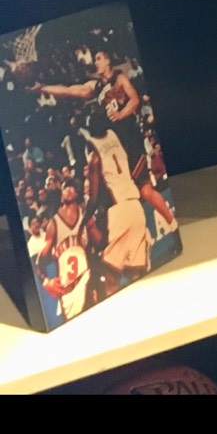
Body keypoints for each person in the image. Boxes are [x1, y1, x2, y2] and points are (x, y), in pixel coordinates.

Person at [33, 48, 178, 238]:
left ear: (108, 61)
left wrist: (120, 114)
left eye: (99, 58)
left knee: (144, 190)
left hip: (131, 138)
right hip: (115, 144)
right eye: (95, 59)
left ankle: (172, 223)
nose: (96, 62)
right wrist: (42, 88)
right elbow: (69, 90)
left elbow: (134, 99)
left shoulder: (119, 77)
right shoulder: (95, 87)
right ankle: (140, 234)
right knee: (123, 195)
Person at [78, 107, 151, 298]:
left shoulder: (94, 157)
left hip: (120, 211)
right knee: (136, 273)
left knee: (110, 275)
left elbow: (93, 200)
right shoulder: (115, 137)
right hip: (136, 207)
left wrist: (82, 223)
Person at [35, 180, 98, 321]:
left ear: (77, 193)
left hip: (86, 278)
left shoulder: (85, 216)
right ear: (61, 194)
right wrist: (46, 282)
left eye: (72, 187)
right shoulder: (54, 224)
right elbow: (39, 262)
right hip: (67, 289)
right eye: (65, 187)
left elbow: (100, 243)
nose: (68, 189)